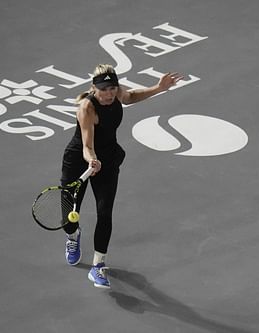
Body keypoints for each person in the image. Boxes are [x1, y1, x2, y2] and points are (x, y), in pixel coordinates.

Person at [60, 64, 184, 288]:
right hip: (79, 160)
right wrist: (91, 160)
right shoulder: (86, 108)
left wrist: (158, 87)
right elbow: (87, 146)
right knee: (68, 216)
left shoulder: (116, 93)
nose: (109, 94)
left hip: (107, 159)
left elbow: (130, 96)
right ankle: (73, 235)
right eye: (104, 89)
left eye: (112, 88)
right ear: (93, 88)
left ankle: (99, 266)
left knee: (104, 212)